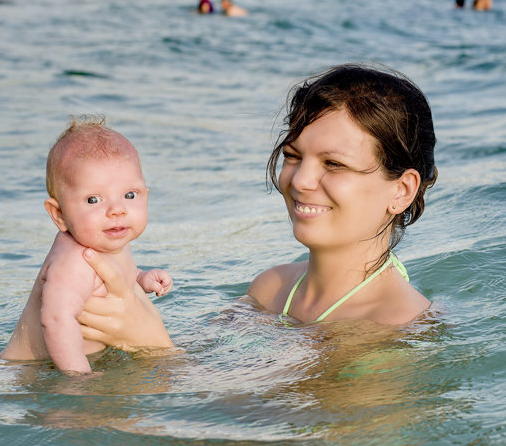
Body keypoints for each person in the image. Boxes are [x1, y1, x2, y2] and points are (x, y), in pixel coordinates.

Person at [72, 64, 437, 348]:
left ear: (401, 191)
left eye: (334, 164)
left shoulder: (393, 328)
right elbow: (206, 367)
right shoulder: (270, 289)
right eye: (293, 156)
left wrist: (150, 345)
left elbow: (254, 432)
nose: (299, 180)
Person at [0, 117, 172, 373]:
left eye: (130, 195)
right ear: (58, 214)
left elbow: (110, 279)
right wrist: (80, 379)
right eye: (93, 199)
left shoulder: (107, 241)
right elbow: (56, 321)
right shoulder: (73, 262)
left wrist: (141, 278)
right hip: (32, 371)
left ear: (146, 195)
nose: (117, 210)